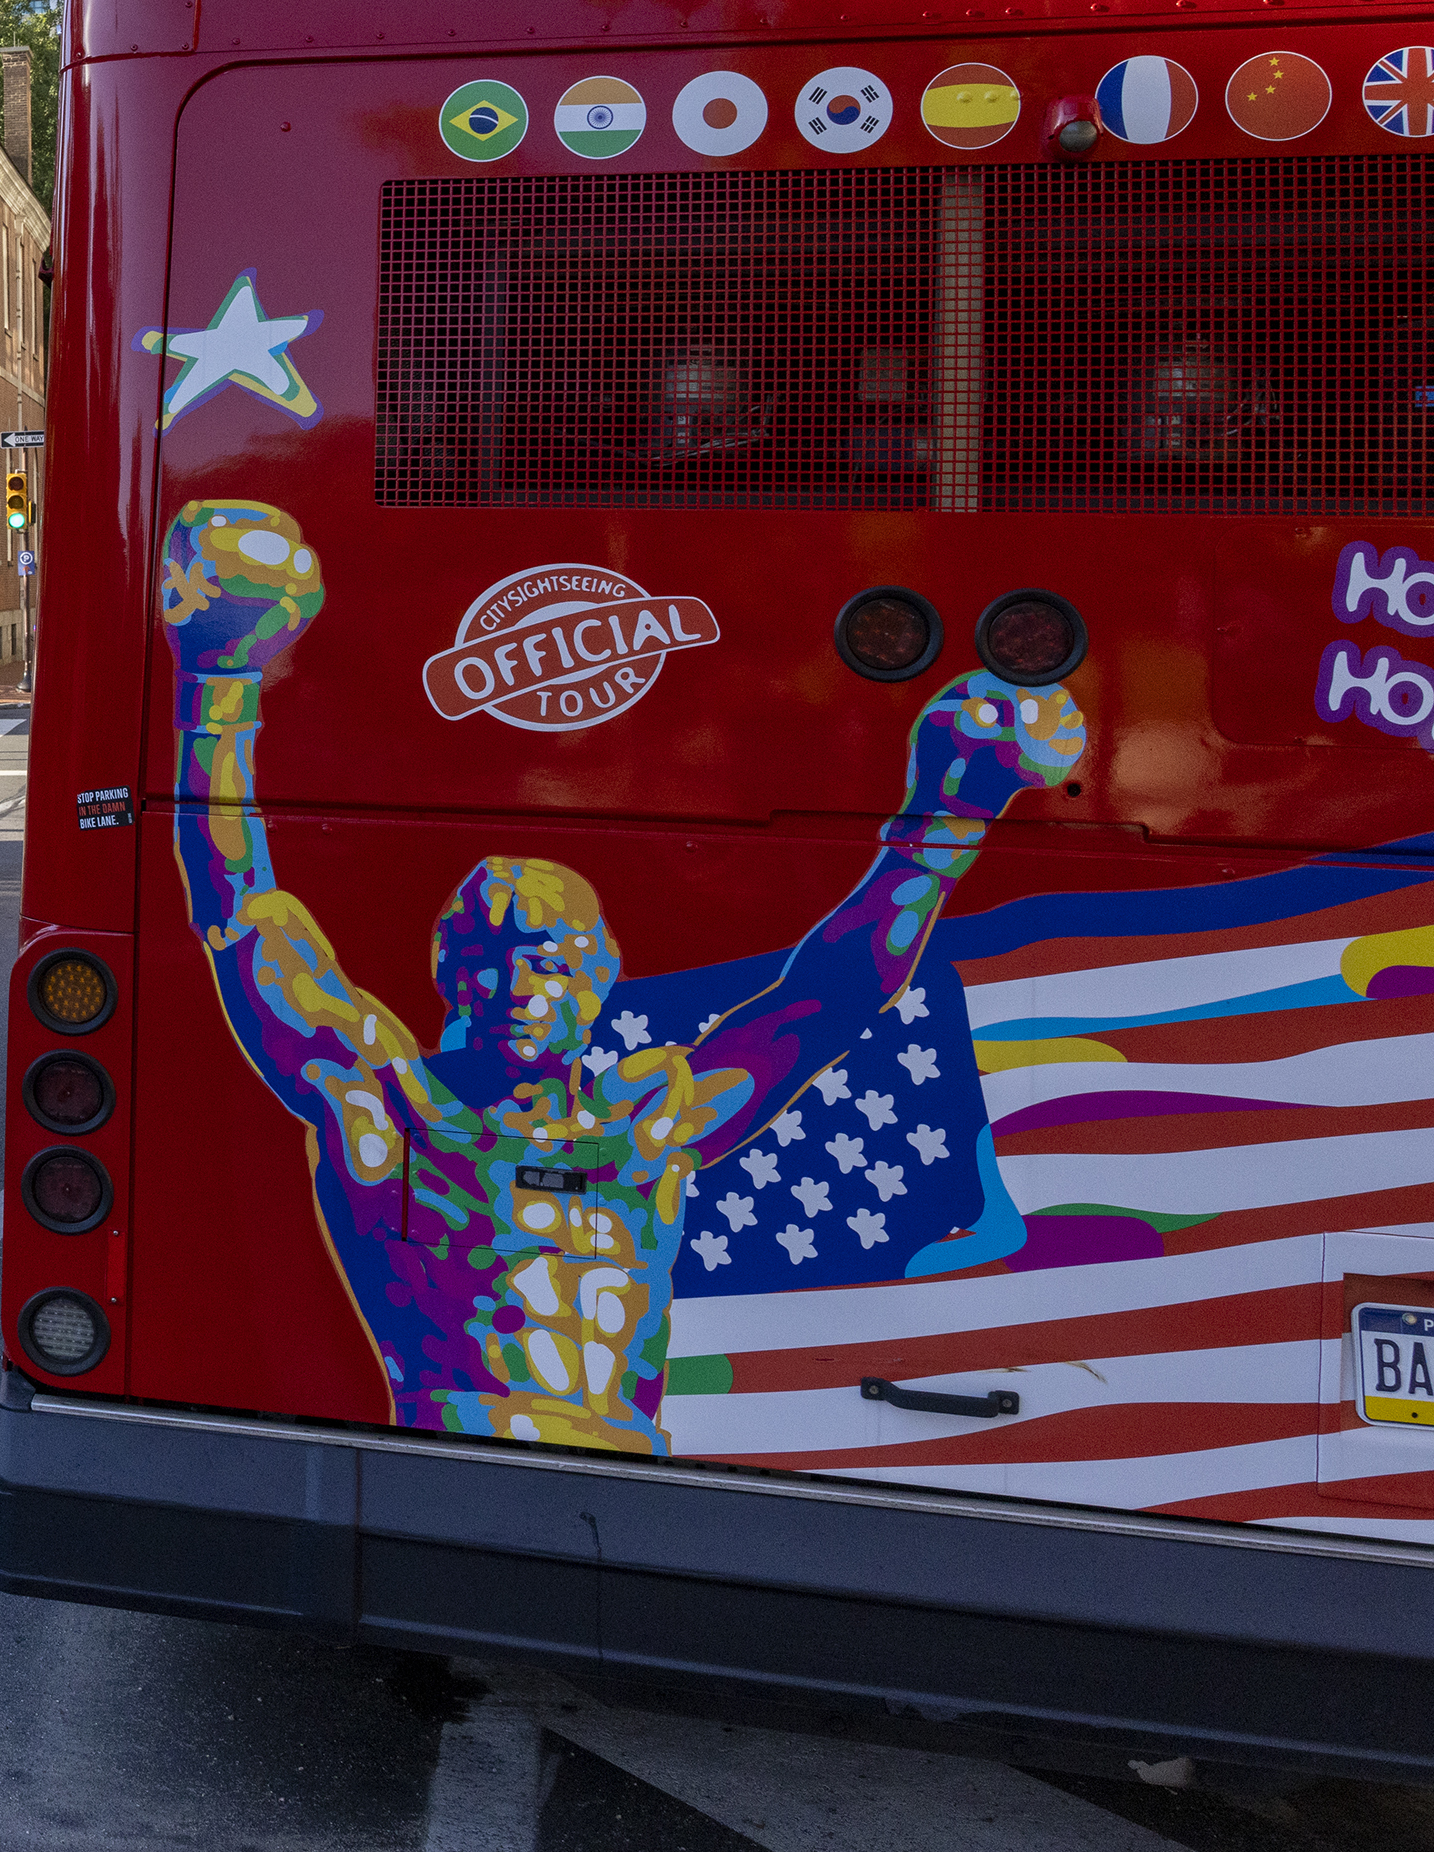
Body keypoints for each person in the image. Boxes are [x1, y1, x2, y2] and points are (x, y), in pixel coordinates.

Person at [156, 498, 1081, 1455]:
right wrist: (216, 684)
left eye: (551, 961)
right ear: (448, 970)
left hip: (629, 1471)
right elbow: (245, 914)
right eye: (494, 956)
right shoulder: (390, 1114)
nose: (522, 984)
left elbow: (830, 999)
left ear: (600, 979)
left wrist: (948, 814)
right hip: (455, 1460)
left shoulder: (646, 1128)